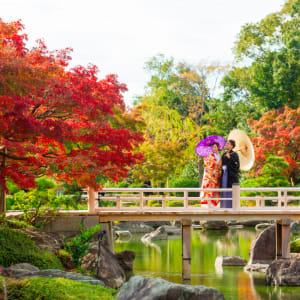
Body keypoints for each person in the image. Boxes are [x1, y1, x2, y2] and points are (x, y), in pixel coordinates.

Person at [201, 142, 222, 207]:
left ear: (218, 148)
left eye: (215, 147)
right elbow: (207, 163)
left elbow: (221, 165)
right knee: (209, 190)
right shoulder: (209, 155)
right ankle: (209, 205)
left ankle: (215, 205)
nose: (214, 148)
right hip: (210, 176)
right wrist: (215, 163)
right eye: (212, 147)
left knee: (216, 190)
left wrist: (219, 165)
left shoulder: (219, 155)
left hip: (217, 176)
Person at [220, 139, 240, 208]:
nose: (226, 145)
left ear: (232, 146)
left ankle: (231, 207)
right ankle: (223, 206)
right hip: (224, 175)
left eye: (228, 144)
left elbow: (237, 166)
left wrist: (230, 158)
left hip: (231, 176)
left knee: (230, 191)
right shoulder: (224, 154)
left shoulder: (234, 154)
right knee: (224, 189)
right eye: (226, 144)